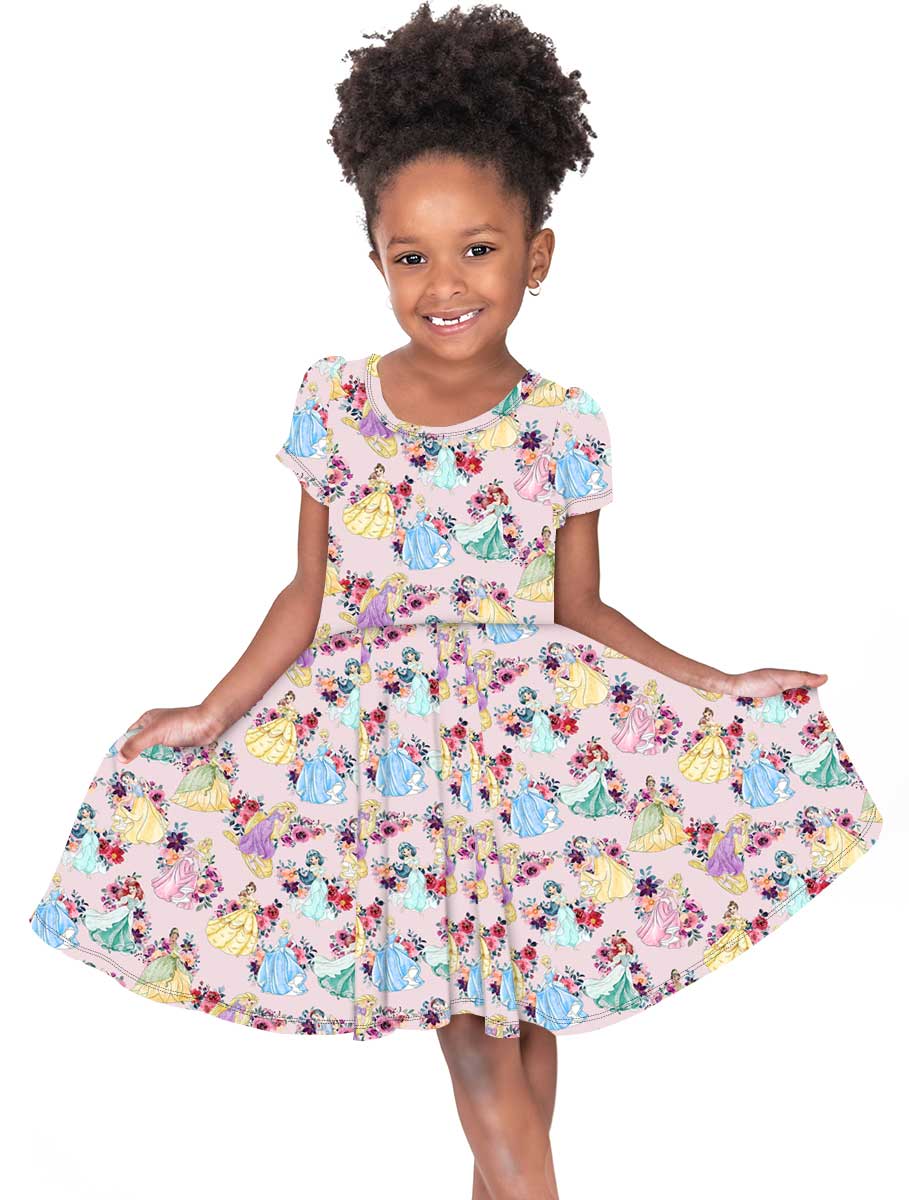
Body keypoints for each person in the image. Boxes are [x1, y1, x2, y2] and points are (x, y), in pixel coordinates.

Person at [26, 5, 884, 1198]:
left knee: (522, 1046)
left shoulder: (561, 421)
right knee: (476, 1046)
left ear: (537, 254)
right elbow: (308, 589)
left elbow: (581, 609)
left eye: (478, 249)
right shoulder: (335, 400)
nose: (444, 284)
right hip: (392, 763)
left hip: (524, 763)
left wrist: (716, 683)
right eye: (410, 256)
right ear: (375, 257)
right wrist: (215, 712)